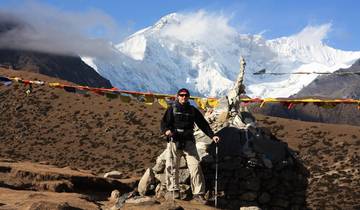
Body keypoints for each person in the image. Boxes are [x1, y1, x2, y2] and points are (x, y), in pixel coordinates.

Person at [161, 88, 220, 204]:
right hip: (174, 140)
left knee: (195, 166)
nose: (184, 97)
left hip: (189, 141)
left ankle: (198, 193)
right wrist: (166, 131)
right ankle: (173, 190)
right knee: (172, 165)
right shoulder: (171, 109)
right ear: (177, 96)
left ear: (188, 97)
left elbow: (203, 124)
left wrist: (212, 135)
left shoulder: (192, 110)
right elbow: (164, 123)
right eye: (181, 95)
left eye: (186, 95)